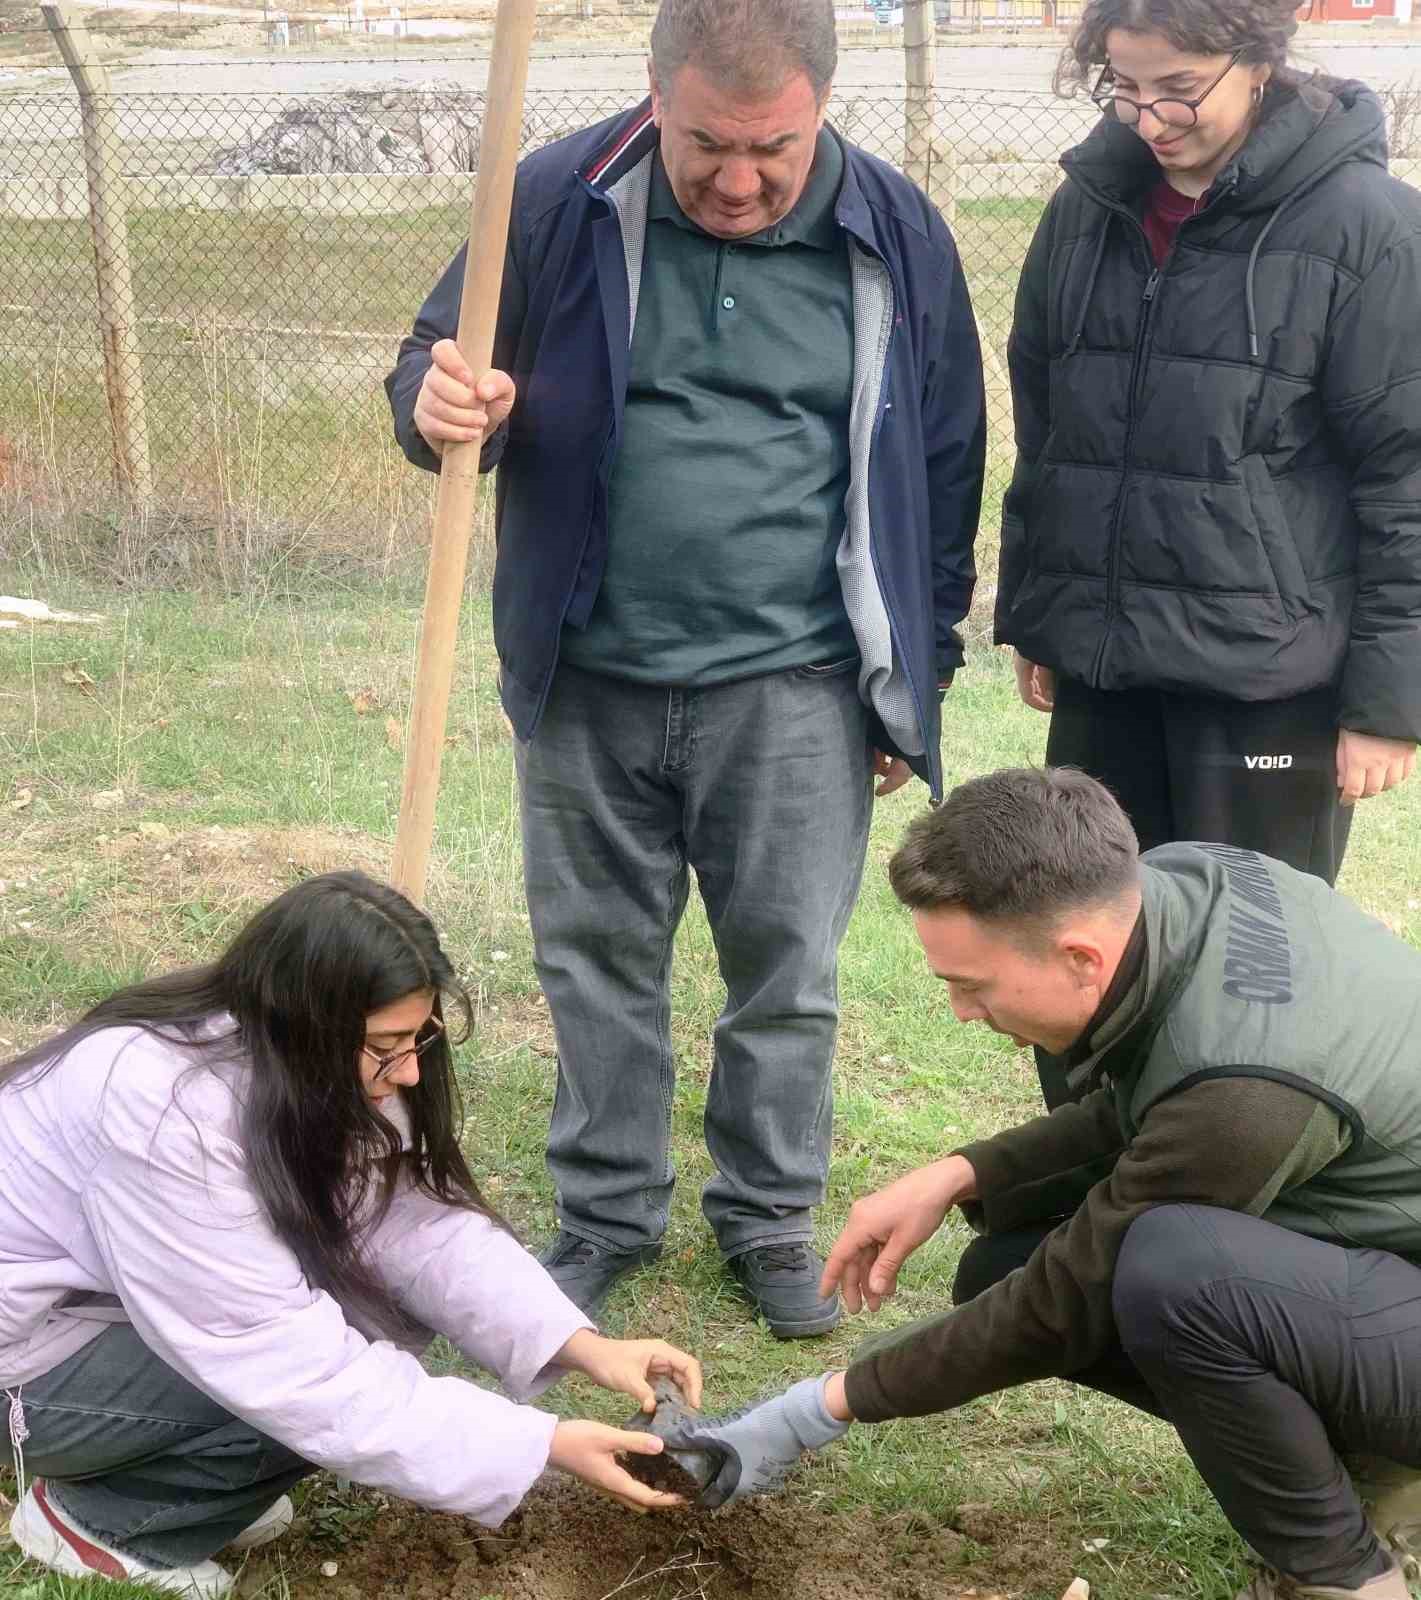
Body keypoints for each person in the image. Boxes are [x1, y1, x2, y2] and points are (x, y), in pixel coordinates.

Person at [384, 0, 986, 1335]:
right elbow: (428, 375)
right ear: (654, 94)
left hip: (796, 686)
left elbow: (941, 472)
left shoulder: (894, 233)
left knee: (786, 973)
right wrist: (438, 407)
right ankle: (603, 1217)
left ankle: (770, 1221)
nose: (736, 178)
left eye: (771, 148)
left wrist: (914, 679)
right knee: (597, 963)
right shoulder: (553, 199)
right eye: (706, 142)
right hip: (586, 671)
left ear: (820, 108)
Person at [661, 768, 1421, 1600]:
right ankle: (1356, 1447)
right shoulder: (1187, 886)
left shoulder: (1246, 1096)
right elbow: (1155, 1103)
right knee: (1003, 1268)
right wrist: (963, 1173)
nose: (957, 1009)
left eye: (969, 984)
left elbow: (1069, 1295)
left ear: (1078, 957)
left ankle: (1345, 1579)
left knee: (1174, 1272)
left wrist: (810, 1412)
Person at [0, 872, 702, 1599]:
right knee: (314, 1387)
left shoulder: (305, 1063)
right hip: (21, 1361)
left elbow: (414, 1225)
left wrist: (580, 1344)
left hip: (88, 1322)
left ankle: (169, 1472)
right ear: (304, 1021)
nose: (410, 1071)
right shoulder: (159, 1112)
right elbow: (285, 1365)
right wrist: (541, 1445)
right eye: (386, 1045)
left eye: (419, 1037)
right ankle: (104, 1522)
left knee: (373, 1324)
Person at [994, 1, 1419, 980]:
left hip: (1268, 688)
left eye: (1179, 89)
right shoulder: (1084, 210)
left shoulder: (1366, 228)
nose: (1148, 119)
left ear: (1257, 62)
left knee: (1252, 968)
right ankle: (1103, 1141)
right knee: (1089, 957)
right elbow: (1047, 422)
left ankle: (1236, 1141)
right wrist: (1041, 614)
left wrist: (1386, 701)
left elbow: (1403, 472)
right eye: (1123, 86)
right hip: (1107, 674)